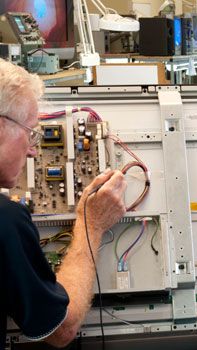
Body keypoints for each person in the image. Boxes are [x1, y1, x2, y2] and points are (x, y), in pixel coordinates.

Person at [0, 59, 127, 347]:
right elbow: (61, 330)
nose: (33, 150)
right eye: (31, 132)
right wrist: (90, 224)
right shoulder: (5, 219)